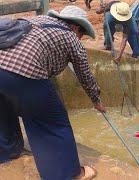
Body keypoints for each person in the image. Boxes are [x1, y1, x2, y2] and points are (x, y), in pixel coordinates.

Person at [0, 5, 105, 180]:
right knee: (53, 123)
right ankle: (70, 174)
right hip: (23, 72)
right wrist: (96, 100)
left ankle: (6, 154)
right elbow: (85, 75)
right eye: (82, 34)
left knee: (4, 111)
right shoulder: (72, 38)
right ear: (75, 27)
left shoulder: (36, 20)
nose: (81, 38)